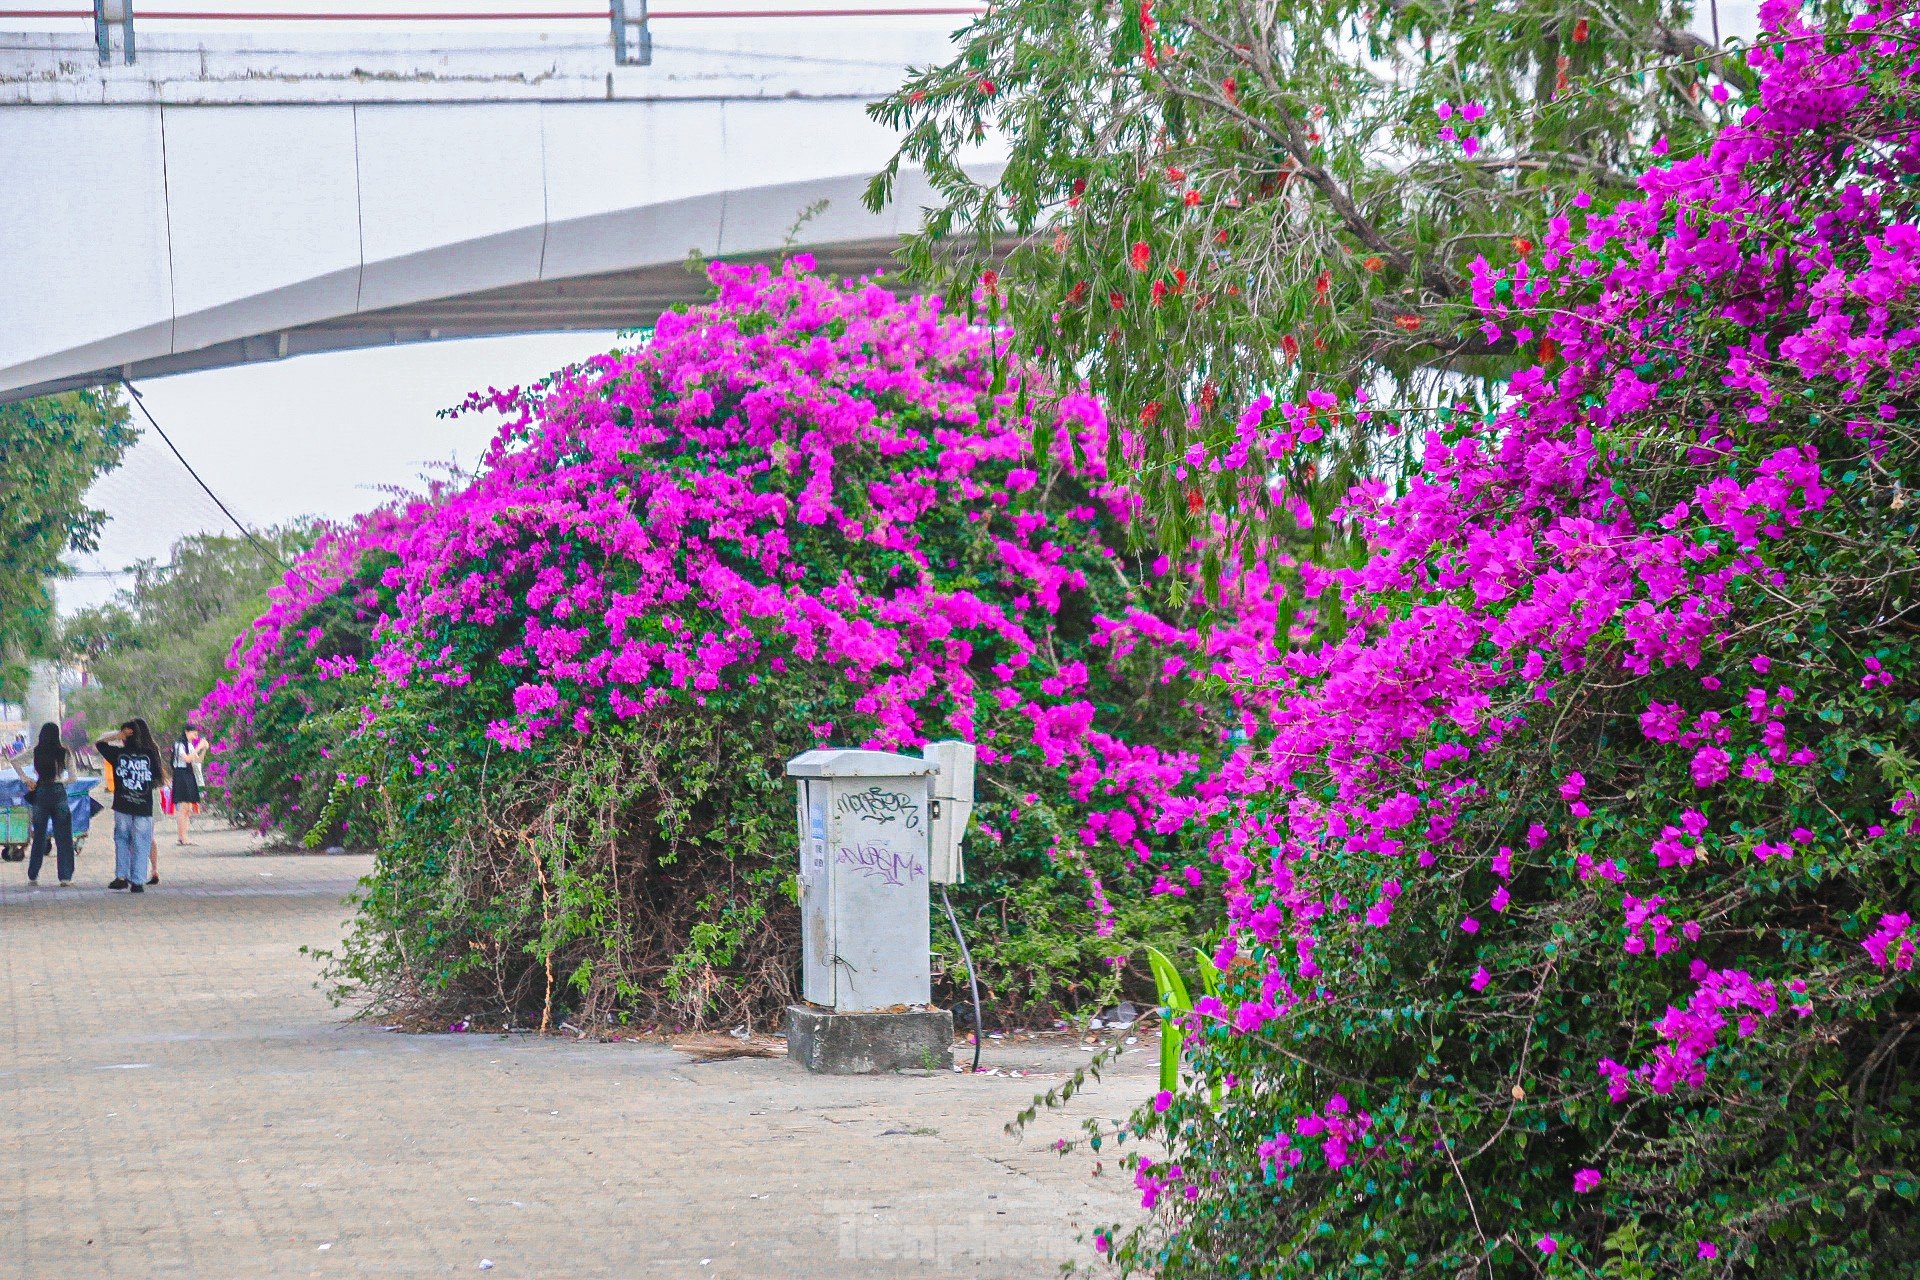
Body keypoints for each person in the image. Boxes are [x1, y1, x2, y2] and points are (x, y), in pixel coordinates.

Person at [96, 719, 162, 893]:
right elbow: (156, 776)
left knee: (122, 839)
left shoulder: (117, 754)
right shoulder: (150, 754)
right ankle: (138, 881)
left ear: (126, 736)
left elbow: (100, 743)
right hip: (144, 805)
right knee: (142, 842)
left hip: (123, 804)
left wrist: (117, 736)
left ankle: (121, 876)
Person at [8, 723, 75, 886]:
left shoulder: (36, 751)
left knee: (39, 835)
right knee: (64, 837)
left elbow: (14, 760)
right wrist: (62, 782)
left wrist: (26, 779)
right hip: (58, 792)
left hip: (41, 792)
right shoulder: (64, 752)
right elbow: (73, 778)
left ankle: (33, 874)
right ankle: (65, 877)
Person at [169, 725, 207, 848]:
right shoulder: (179, 744)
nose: (195, 737)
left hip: (189, 775)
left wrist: (204, 749)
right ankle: (181, 837)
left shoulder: (190, 745)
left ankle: (184, 836)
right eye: (193, 734)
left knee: (189, 808)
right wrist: (199, 747)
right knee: (183, 807)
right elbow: (187, 759)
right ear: (186, 732)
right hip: (181, 774)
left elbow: (198, 760)